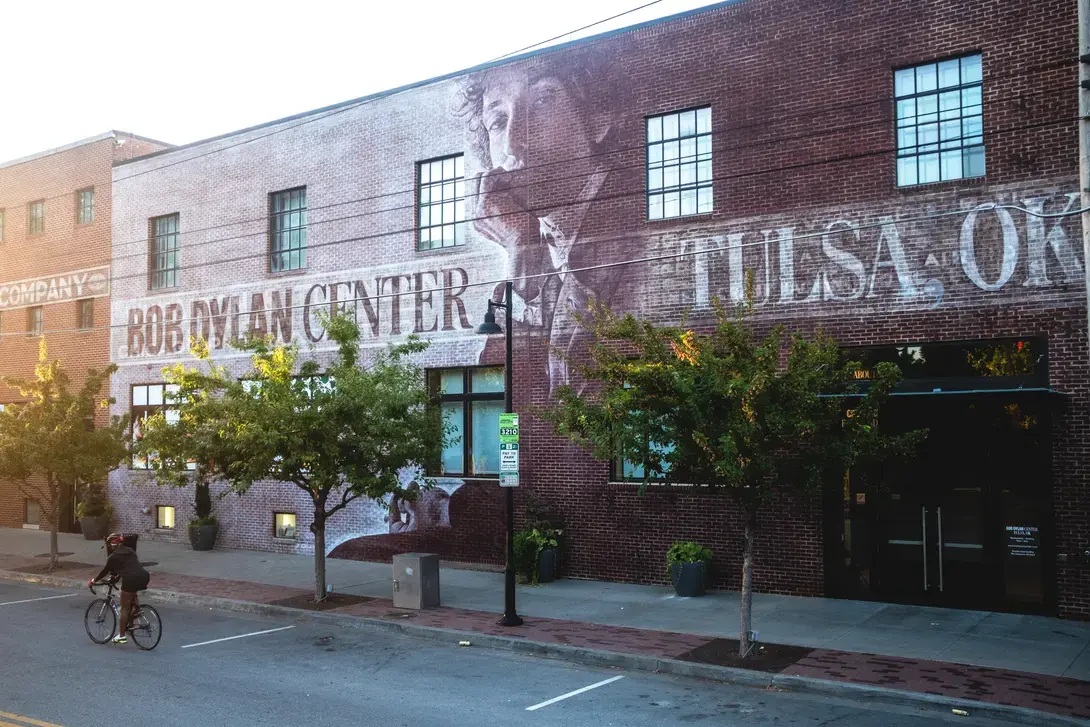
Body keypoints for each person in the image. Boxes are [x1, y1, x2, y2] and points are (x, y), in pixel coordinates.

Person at [453, 43, 629, 395]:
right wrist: (521, 251)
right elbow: (518, 406)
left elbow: (577, 418)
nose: (514, 143)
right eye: (499, 121)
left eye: (541, 102)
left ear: (597, 116)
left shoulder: (624, 225)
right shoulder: (534, 250)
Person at [89, 533, 150, 645]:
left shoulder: (113, 557)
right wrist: (117, 577)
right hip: (144, 576)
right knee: (131, 596)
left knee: (124, 609)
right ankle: (136, 613)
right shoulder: (130, 551)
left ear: (113, 545)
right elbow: (128, 567)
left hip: (131, 579)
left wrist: (94, 581)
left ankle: (122, 636)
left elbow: (105, 571)